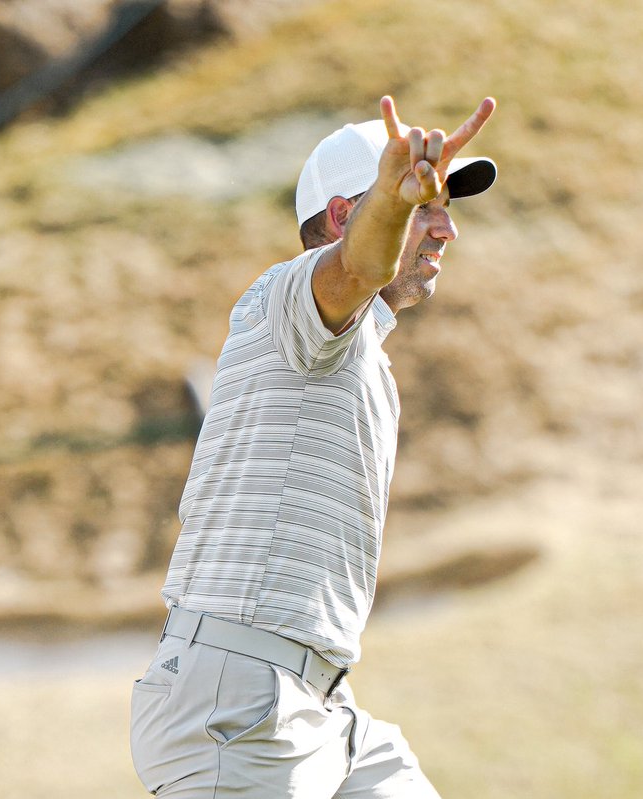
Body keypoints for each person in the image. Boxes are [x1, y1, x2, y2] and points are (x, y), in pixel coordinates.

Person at [129, 95, 497, 798]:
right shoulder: (292, 306)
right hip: (236, 708)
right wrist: (385, 210)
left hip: (323, 707)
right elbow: (354, 272)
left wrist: (393, 204)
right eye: (425, 206)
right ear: (342, 216)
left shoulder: (361, 352)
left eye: (445, 207)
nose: (447, 228)